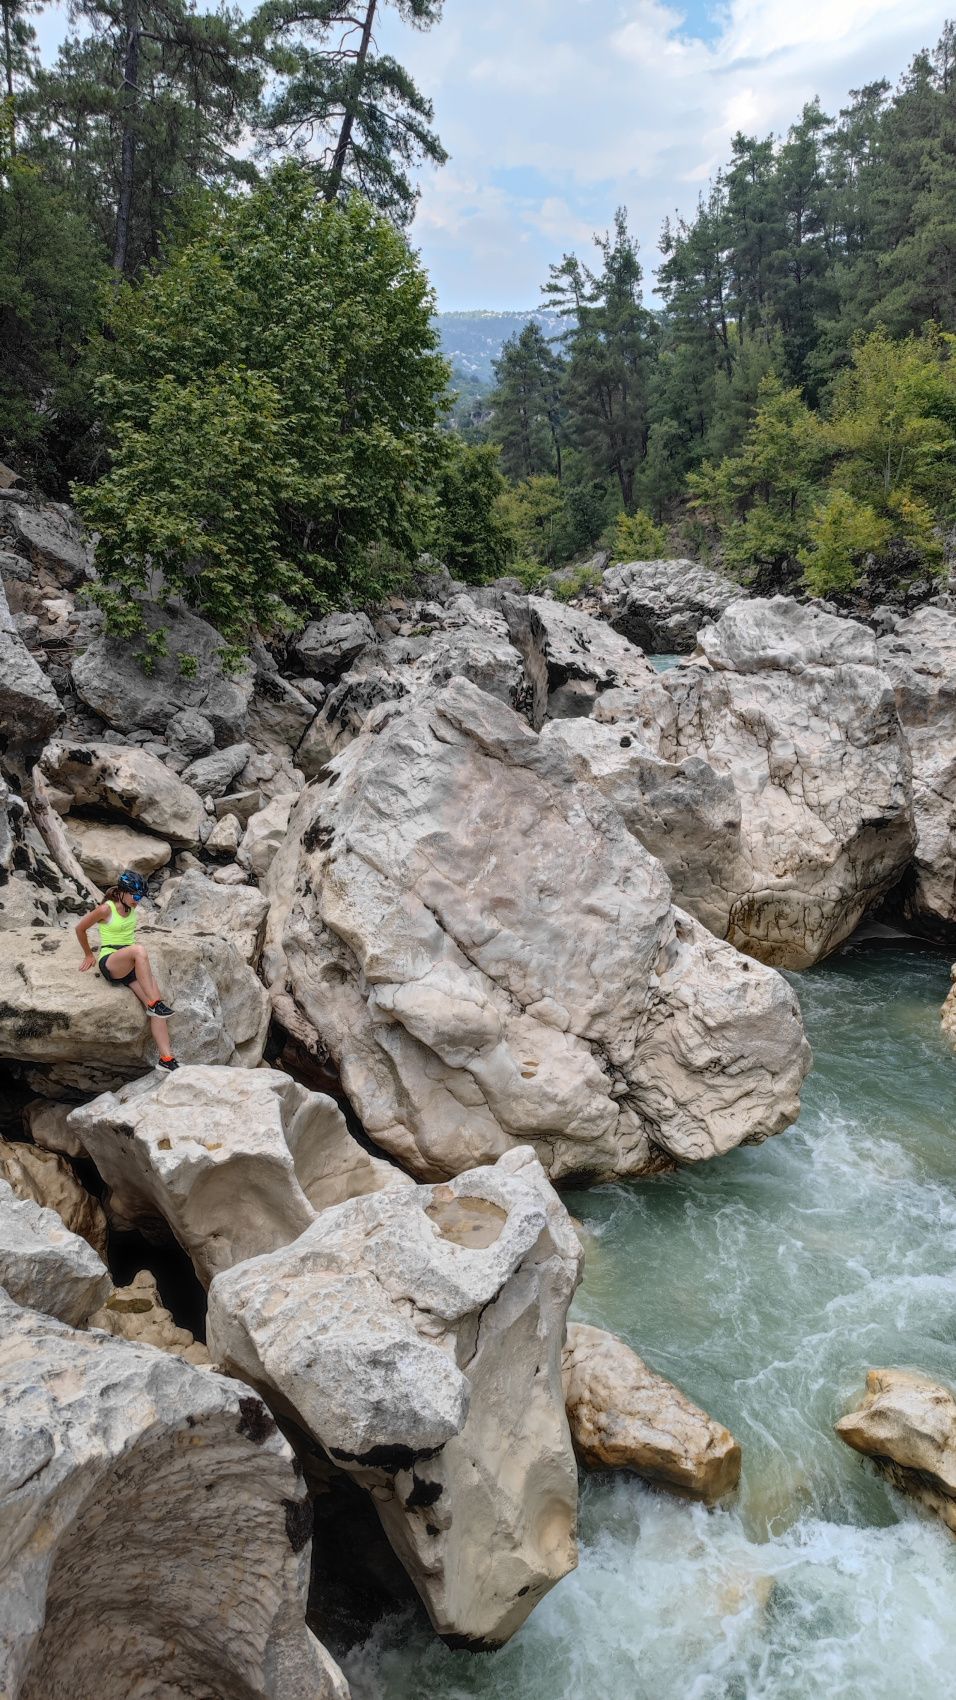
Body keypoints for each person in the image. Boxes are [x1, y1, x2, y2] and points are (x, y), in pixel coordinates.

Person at [75, 870, 179, 1072]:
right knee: (139, 950)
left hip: (130, 966)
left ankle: (166, 1059)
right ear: (123, 892)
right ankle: (153, 1003)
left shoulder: (131, 908)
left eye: (141, 897)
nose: (138, 901)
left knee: (158, 1014)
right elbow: (80, 928)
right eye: (136, 896)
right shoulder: (107, 909)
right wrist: (89, 955)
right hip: (111, 962)